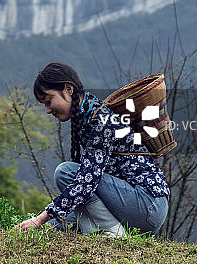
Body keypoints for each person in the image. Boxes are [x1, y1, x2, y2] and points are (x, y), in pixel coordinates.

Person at [16, 62, 169, 236]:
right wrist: (43, 222)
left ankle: (112, 234)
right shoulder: (86, 116)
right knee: (55, 228)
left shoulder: (100, 120)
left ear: (68, 89)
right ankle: (104, 230)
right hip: (132, 205)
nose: (48, 110)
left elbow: (86, 183)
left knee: (65, 172)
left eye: (49, 101)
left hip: (147, 206)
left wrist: (38, 219)